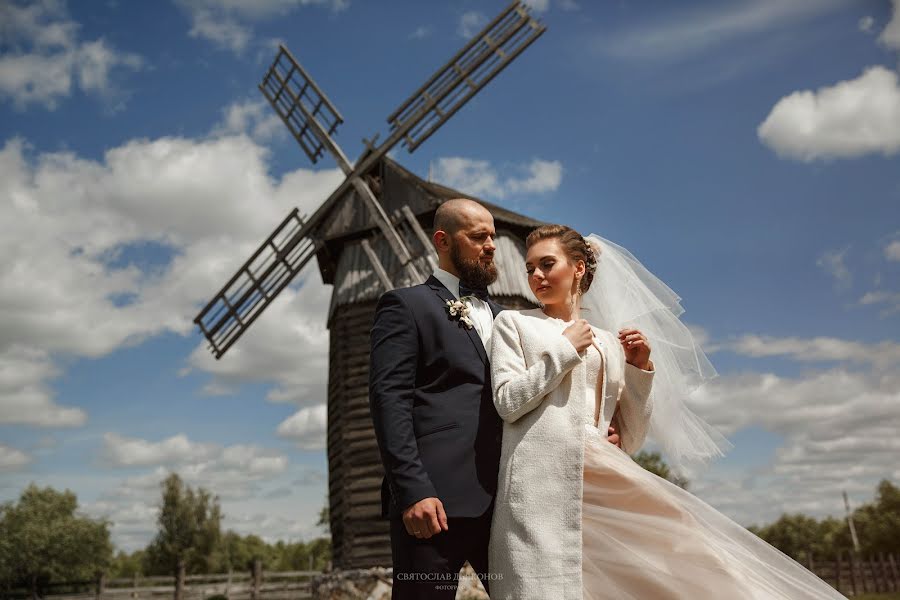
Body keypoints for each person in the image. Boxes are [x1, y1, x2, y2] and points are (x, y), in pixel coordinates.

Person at [487, 224, 846, 599]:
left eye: (547, 264)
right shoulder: (514, 323)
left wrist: (640, 370)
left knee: (682, 551)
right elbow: (508, 402)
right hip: (539, 485)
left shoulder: (609, 342)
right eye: (530, 268)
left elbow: (632, 437)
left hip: (601, 477)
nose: (536, 276)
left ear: (578, 268)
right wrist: (564, 350)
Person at [368, 198, 505, 599]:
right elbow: (388, 398)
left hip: (503, 504)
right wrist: (413, 490)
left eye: (493, 236)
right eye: (479, 236)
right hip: (434, 506)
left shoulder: (504, 317)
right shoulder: (406, 305)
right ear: (443, 241)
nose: (491, 245)